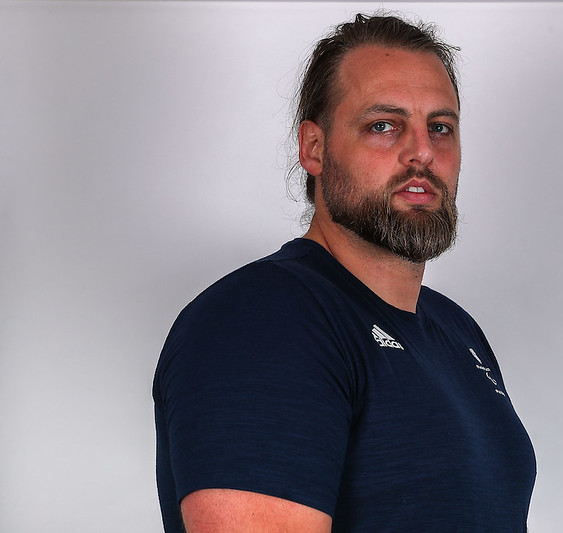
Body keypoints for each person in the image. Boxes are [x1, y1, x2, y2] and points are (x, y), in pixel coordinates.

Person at [153, 12, 536, 533]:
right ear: (314, 147)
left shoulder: (456, 331)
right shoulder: (261, 321)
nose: (423, 151)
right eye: (384, 125)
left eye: (440, 128)